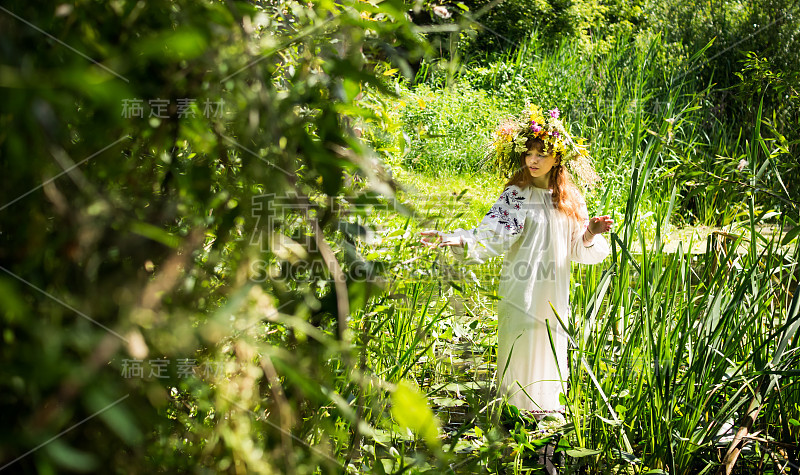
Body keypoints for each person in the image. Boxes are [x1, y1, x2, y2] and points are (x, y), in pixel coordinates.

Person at [420, 103, 613, 419]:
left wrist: (590, 231)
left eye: (541, 153)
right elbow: (492, 236)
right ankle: (513, 419)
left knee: (550, 344)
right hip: (521, 288)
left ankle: (547, 415)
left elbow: (579, 250)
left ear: (557, 158)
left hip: (554, 290)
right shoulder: (516, 194)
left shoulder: (569, 200)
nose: (533, 160)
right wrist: (455, 238)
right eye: (529, 152)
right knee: (520, 346)